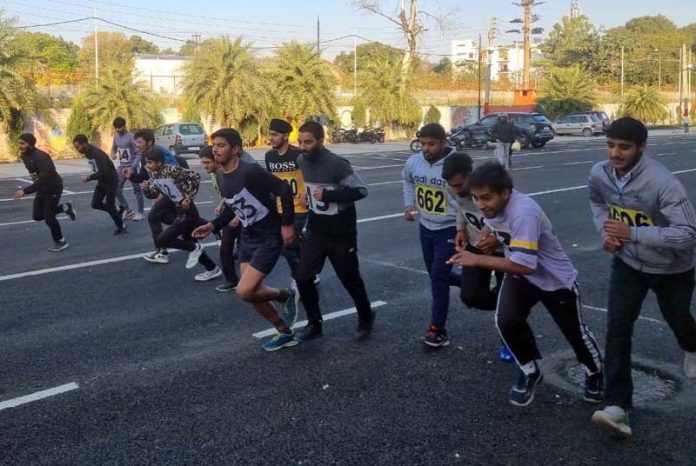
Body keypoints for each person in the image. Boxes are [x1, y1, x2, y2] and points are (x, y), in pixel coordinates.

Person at [448, 162, 603, 407]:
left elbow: (525, 265)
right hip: (522, 276)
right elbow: (496, 223)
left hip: (553, 278)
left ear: (506, 193)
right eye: (476, 198)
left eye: (485, 198)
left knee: (575, 333)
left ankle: (594, 373)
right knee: (505, 319)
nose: (479, 204)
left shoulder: (524, 213)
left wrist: (476, 259)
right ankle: (530, 370)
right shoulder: (494, 208)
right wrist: (489, 235)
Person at [587, 117, 696, 437]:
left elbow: (688, 234)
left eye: (624, 147)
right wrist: (607, 234)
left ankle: (692, 345)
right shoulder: (599, 173)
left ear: (641, 147)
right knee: (617, 328)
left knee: (678, 319)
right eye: (610, 145)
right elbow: (596, 203)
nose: (615, 153)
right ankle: (617, 405)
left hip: (671, 269)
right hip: (628, 264)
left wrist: (632, 232)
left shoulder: (663, 183)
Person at [193, 128, 299, 351]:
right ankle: (285, 332)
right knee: (250, 294)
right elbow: (233, 205)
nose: (216, 149)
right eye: (214, 145)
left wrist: (287, 224)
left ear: (236, 149)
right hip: (248, 237)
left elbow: (283, 189)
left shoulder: (250, 171)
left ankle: (285, 295)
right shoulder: (220, 175)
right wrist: (213, 224)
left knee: (244, 291)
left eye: (221, 145)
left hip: (269, 236)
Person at [294, 121, 375, 341]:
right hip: (316, 231)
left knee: (349, 279)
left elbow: (361, 190)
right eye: (300, 141)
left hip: (341, 233)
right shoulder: (301, 160)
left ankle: (366, 316)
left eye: (308, 142)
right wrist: (306, 195)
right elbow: (312, 188)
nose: (302, 146)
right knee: (302, 277)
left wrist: (329, 196)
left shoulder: (337, 164)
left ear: (321, 141)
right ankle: (314, 323)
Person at [442, 152, 512, 361]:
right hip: (475, 245)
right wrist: (460, 229)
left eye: (460, 185)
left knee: (507, 306)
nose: (456, 190)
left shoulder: (492, 190)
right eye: (452, 186)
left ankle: (510, 339)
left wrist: (498, 239)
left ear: (470, 176)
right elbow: (461, 209)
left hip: (502, 250)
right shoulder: (452, 188)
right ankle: (511, 307)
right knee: (470, 296)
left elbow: (515, 220)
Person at [403, 123, 460, 348]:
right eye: (423, 144)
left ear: (443, 142)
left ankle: (438, 329)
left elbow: (468, 195)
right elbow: (408, 180)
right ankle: (473, 285)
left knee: (438, 277)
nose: (426, 148)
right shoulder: (413, 162)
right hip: (426, 227)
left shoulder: (456, 163)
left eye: (431, 144)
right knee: (437, 275)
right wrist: (409, 204)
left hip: (450, 228)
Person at [140, 150, 221, 281]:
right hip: (178, 210)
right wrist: (146, 189)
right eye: (146, 163)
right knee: (189, 241)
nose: (147, 165)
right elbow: (155, 194)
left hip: (188, 212)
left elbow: (195, 176)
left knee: (163, 240)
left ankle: (198, 246)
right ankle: (212, 269)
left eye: (149, 162)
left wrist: (188, 198)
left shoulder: (172, 170)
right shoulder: (155, 174)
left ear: (159, 162)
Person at [264, 118, 314, 281]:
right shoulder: (269, 156)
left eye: (275, 135)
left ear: (285, 136)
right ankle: (309, 271)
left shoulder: (298, 154)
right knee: (293, 243)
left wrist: (307, 191)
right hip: (279, 207)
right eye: (270, 134)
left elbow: (313, 174)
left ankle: (299, 278)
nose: (271, 138)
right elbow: (271, 181)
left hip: (299, 207)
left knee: (286, 245)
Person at [13, 133, 76, 251]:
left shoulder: (41, 157)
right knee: (37, 216)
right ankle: (65, 208)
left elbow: (44, 178)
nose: (20, 146)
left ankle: (61, 241)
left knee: (48, 217)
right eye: (19, 143)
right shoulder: (24, 155)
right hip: (42, 188)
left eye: (23, 143)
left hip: (53, 187)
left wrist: (25, 190)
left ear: (31, 145)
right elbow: (37, 177)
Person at [124, 129, 178, 264]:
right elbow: (143, 175)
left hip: (175, 189)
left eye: (140, 143)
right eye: (136, 143)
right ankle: (207, 228)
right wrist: (131, 176)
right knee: (171, 218)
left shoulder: (160, 152)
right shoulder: (145, 155)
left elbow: (176, 174)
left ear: (150, 142)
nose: (137, 146)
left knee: (154, 217)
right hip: (166, 190)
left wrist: (162, 193)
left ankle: (162, 252)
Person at [199, 147, 241, 291]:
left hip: (240, 213)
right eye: (202, 163)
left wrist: (237, 215)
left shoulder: (223, 174)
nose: (205, 166)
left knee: (226, 248)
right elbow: (227, 195)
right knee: (239, 248)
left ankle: (234, 281)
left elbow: (242, 194)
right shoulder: (215, 173)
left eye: (207, 162)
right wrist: (221, 203)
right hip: (232, 210)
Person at [72, 134, 126, 235]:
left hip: (111, 180)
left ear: (85, 144)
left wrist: (89, 177)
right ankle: (118, 209)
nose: (77, 149)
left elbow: (104, 171)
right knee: (95, 204)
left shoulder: (96, 153)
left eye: (78, 146)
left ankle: (121, 226)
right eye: (75, 147)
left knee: (110, 205)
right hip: (102, 180)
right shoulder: (88, 152)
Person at [111, 117, 144, 221]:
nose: (117, 130)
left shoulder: (131, 137)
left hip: (132, 167)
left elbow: (139, 153)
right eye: (116, 128)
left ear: (124, 126)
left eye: (119, 128)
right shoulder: (116, 138)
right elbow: (113, 148)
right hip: (121, 167)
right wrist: (112, 154)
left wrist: (133, 167)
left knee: (137, 190)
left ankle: (140, 212)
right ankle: (127, 209)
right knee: (116, 189)